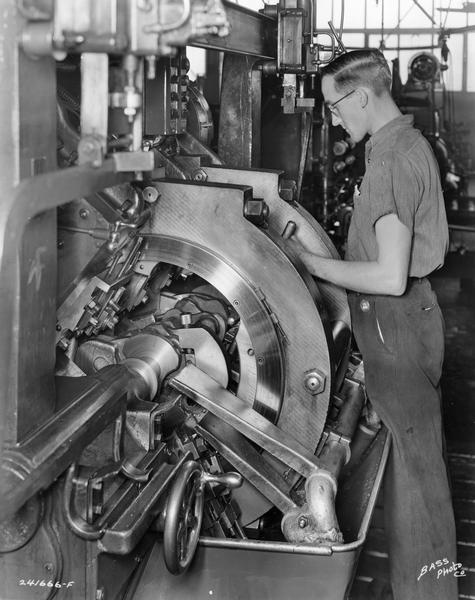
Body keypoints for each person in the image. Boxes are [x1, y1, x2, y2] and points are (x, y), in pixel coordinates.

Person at [289, 49, 458, 600]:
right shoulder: (404, 145)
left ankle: (427, 593)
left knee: (417, 483)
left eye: (335, 107)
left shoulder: (388, 161)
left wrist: (309, 265)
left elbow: (388, 276)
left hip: (395, 323)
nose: (334, 120)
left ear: (361, 96)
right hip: (403, 323)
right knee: (411, 471)